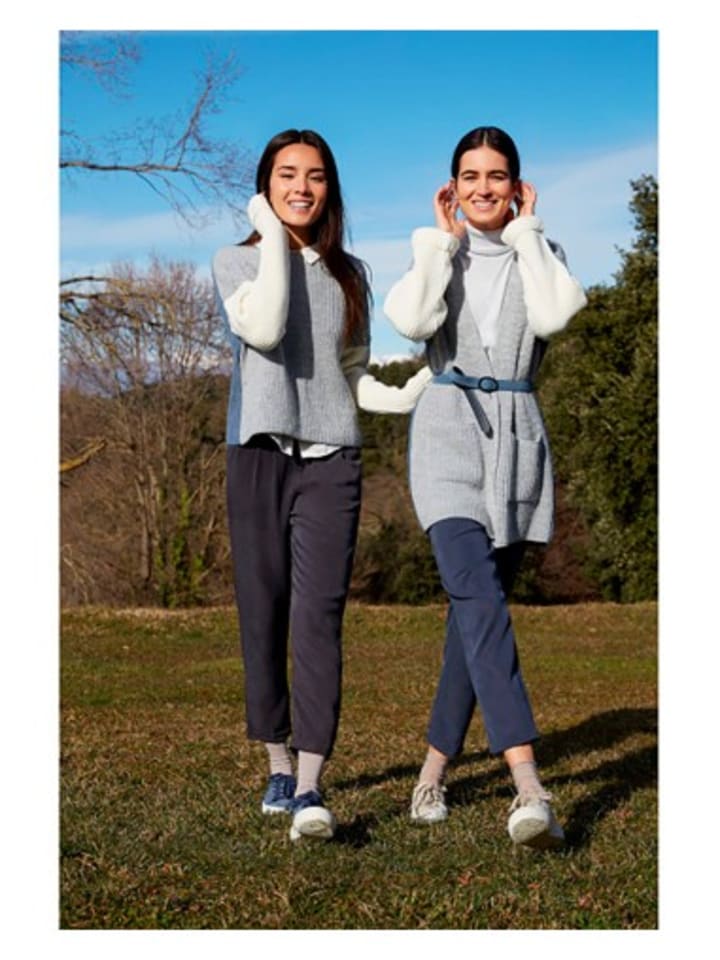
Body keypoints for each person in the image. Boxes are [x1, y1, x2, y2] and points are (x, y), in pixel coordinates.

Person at [212, 129, 431, 843]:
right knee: (263, 613)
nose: (301, 187)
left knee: (318, 619)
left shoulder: (350, 273)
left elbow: (353, 372)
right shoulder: (235, 262)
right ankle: (277, 763)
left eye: (314, 176)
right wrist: (273, 236)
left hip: (333, 461)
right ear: (265, 186)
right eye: (286, 174)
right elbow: (266, 327)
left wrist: (408, 391)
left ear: (329, 187)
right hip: (258, 455)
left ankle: (309, 783)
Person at [383, 126, 587, 849]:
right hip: (446, 440)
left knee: (473, 621)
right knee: (479, 601)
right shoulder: (436, 253)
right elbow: (410, 321)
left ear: (518, 186)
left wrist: (529, 234)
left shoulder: (543, 253)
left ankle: (431, 773)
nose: (482, 188)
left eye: (496, 175)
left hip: (517, 447)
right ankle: (528, 786)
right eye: (469, 176)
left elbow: (557, 316)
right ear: (451, 187)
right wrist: (439, 245)